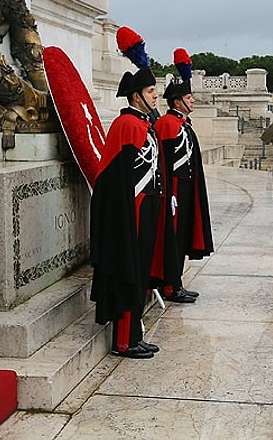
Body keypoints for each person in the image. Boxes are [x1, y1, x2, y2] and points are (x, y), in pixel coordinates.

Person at [90, 65, 163, 359]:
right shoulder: (126, 126)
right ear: (136, 96)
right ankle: (124, 341)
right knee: (129, 272)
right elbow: (114, 176)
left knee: (141, 271)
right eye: (149, 91)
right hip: (132, 209)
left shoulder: (143, 123)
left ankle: (135, 333)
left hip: (147, 206)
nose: (156, 95)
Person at [153, 48, 214, 304]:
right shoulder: (168, 124)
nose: (193, 101)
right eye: (189, 98)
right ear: (177, 101)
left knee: (182, 236)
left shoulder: (181, 123)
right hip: (175, 189)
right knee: (173, 238)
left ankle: (176, 281)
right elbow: (165, 163)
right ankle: (170, 285)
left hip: (186, 188)